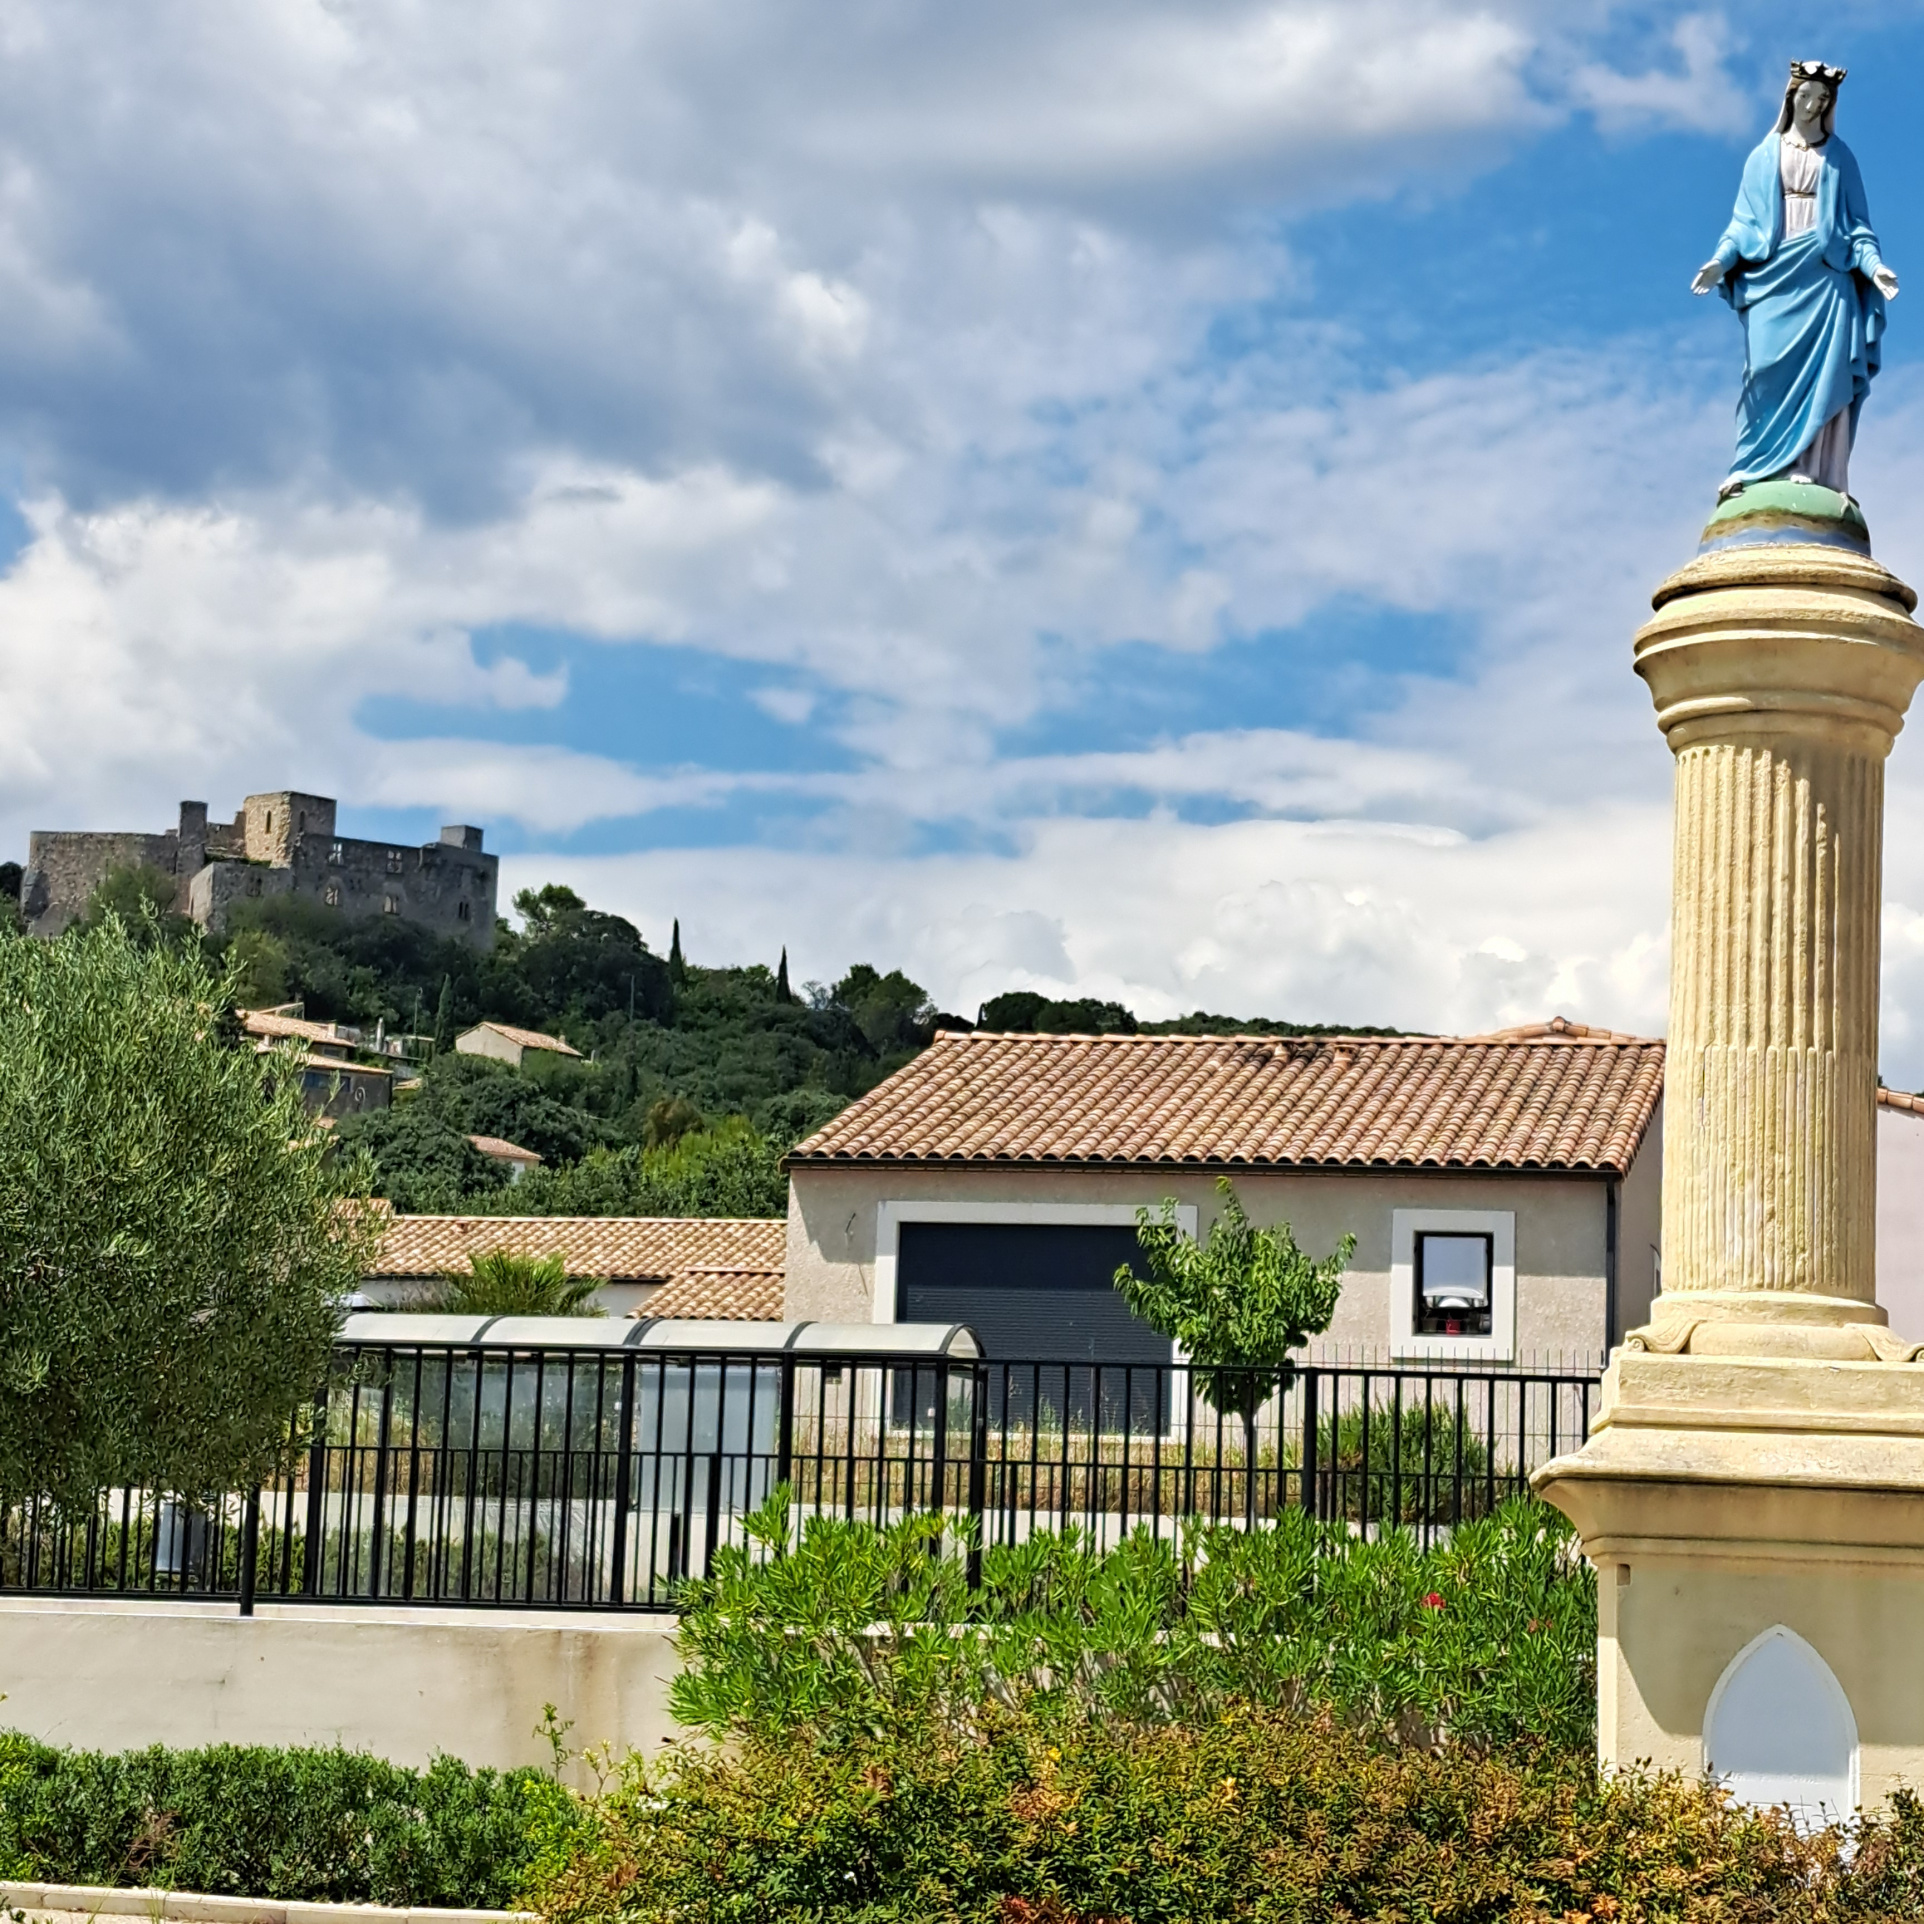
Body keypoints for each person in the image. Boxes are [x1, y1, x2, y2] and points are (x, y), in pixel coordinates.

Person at [1692, 60, 1898, 501]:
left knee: (1825, 374)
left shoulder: (1839, 157)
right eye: (1806, 96)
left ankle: (1809, 464)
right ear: (1791, 97)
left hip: (1826, 273)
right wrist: (1720, 262)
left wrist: (1874, 267)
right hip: (1774, 269)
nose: (1813, 105)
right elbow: (1743, 224)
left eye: (1822, 99)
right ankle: (1752, 465)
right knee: (1763, 369)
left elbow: (1858, 226)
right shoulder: (1764, 156)